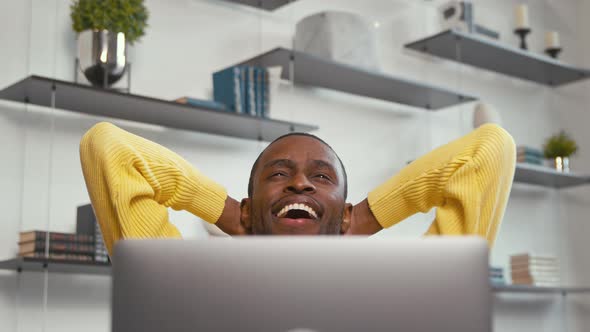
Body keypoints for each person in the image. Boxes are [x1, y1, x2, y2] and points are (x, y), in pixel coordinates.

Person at [80, 122, 516, 256]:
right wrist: (232, 213)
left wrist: (362, 218)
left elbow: (489, 151)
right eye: (279, 174)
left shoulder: (406, 292)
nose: (300, 183)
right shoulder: (182, 283)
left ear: (343, 213)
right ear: (250, 211)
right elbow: (109, 149)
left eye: (321, 177)